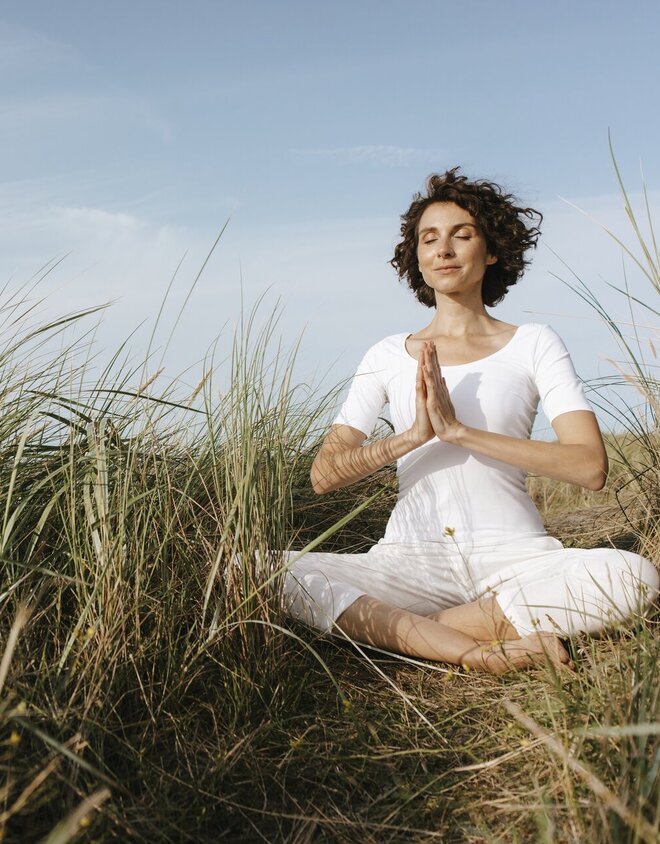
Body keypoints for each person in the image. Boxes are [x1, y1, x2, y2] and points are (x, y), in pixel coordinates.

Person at [280, 168, 659, 673]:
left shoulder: (533, 343)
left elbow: (589, 467)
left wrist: (460, 432)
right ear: (417, 257)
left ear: (492, 250)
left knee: (633, 576)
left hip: (517, 558)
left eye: (462, 235)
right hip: (408, 562)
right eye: (429, 239)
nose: (444, 249)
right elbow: (323, 476)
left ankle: (410, 630)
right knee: (256, 571)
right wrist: (411, 437)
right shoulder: (387, 354)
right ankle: (476, 652)